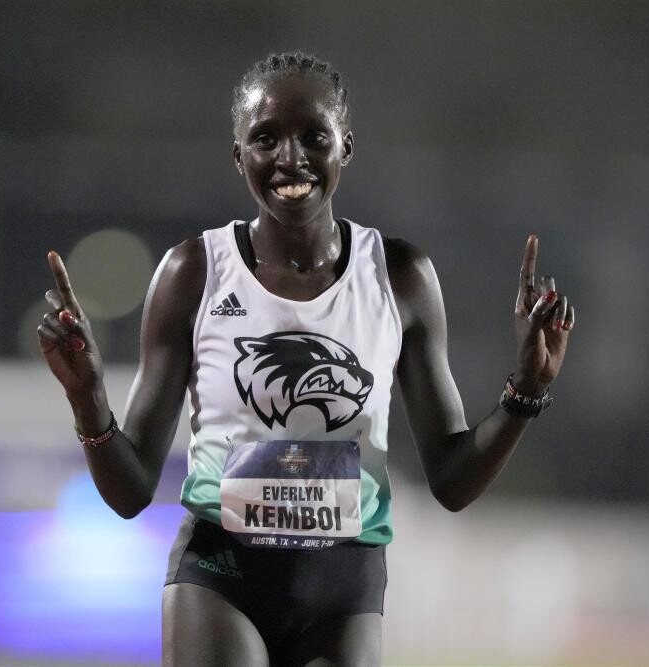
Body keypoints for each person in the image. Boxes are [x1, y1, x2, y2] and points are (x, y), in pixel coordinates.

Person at [37, 51, 574, 667]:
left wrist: (526, 391)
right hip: (222, 576)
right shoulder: (194, 273)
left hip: (342, 594)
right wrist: (87, 398)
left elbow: (452, 481)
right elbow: (131, 491)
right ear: (239, 156)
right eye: (266, 138)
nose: (290, 158)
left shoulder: (399, 278)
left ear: (346, 146)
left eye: (313, 136)